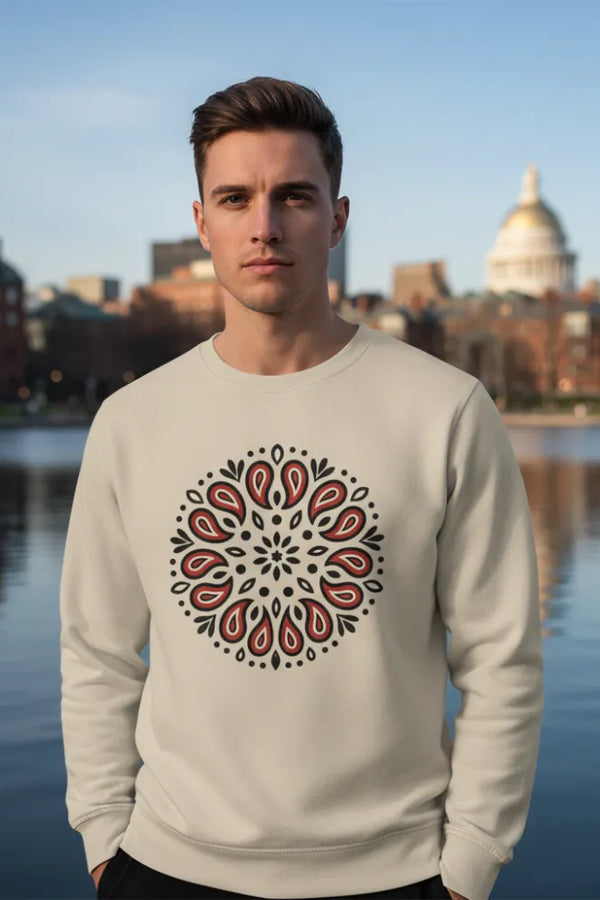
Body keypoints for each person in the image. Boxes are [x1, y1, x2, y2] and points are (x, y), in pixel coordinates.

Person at [59, 76, 544, 900]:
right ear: (200, 224)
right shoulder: (130, 423)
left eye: (293, 196)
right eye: (235, 198)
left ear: (338, 218)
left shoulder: (446, 410)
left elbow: (502, 659)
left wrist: (468, 868)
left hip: (399, 878)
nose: (264, 226)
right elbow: (97, 654)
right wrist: (105, 836)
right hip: (163, 869)